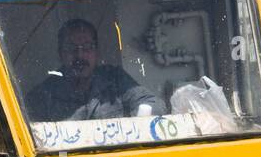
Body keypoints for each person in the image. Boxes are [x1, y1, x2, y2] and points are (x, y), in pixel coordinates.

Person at [27, 17, 164, 121]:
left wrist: (137, 124)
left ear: (97, 53)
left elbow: (154, 104)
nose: (79, 55)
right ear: (60, 54)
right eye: (71, 48)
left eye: (87, 47)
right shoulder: (44, 95)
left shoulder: (115, 79)